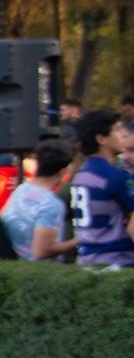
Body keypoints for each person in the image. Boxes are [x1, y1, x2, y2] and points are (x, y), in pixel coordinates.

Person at [70, 109, 134, 268]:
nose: (123, 136)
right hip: (118, 263)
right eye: (117, 130)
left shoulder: (81, 175)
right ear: (101, 138)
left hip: (88, 261)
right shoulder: (116, 177)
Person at [2, 139, 78, 262]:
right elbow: (41, 251)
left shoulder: (21, 189)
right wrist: (77, 241)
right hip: (39, 272)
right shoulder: (52, 204)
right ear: (62, 171)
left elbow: (2, 218)